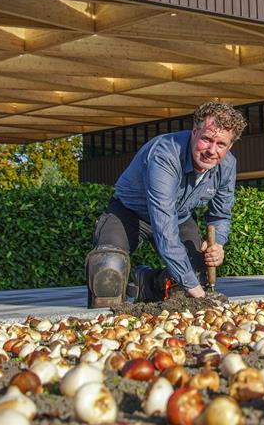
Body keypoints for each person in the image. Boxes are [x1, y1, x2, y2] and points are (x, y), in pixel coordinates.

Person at [86, 102, 247, 307]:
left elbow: (220, 215)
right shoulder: (165, 154)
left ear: (230, 145)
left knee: (196, 275)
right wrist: (195, 289)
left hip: (180, 217)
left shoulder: (227, 165)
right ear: (194, 133)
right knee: (108, 269)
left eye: (221, 144)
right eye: (206, 139)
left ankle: (149, 283)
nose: (211, 150)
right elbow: (164, 225)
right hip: (129, 213)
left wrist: (218, 244)